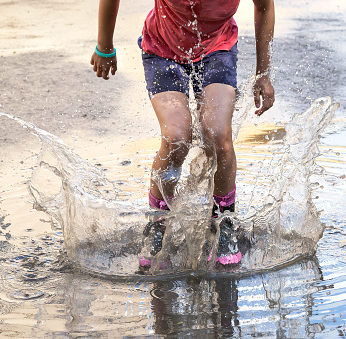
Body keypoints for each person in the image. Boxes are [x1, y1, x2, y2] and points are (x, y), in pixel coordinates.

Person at [90, 0, 275, 268]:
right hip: (162, 48)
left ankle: (223, 224)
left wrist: (264, 73)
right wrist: (104, 46)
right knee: (177, 137)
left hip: (217, 48)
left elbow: (265, 6)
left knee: (218, 135)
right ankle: (157, 225)